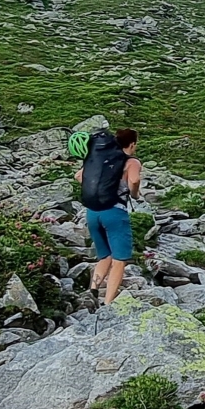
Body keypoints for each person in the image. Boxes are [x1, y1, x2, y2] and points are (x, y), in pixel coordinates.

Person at [74, 126, 141, 305]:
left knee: (105, 256)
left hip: (92, 212)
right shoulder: (131, 162)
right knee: (119, 260)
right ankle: (108, 303)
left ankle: (93, 290)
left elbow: (79, 176)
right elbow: (134, 180)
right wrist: (134, 194)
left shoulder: (98, 158)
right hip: (114, 213)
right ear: (132, 144)